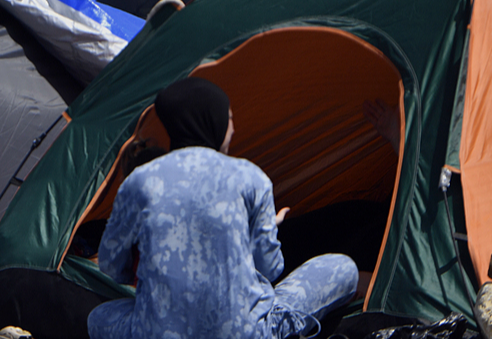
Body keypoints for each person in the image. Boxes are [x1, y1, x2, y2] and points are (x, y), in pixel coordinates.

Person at [87, 78, 358, 339]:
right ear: (212, 121)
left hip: (158, 333)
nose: (233, 129)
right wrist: (256, 233)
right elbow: (271, 267)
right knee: (343, 267)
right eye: (229, 120)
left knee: (98, 317)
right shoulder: (250, 177)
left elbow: (111, 266)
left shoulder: (140, 180)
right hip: (246, 333)